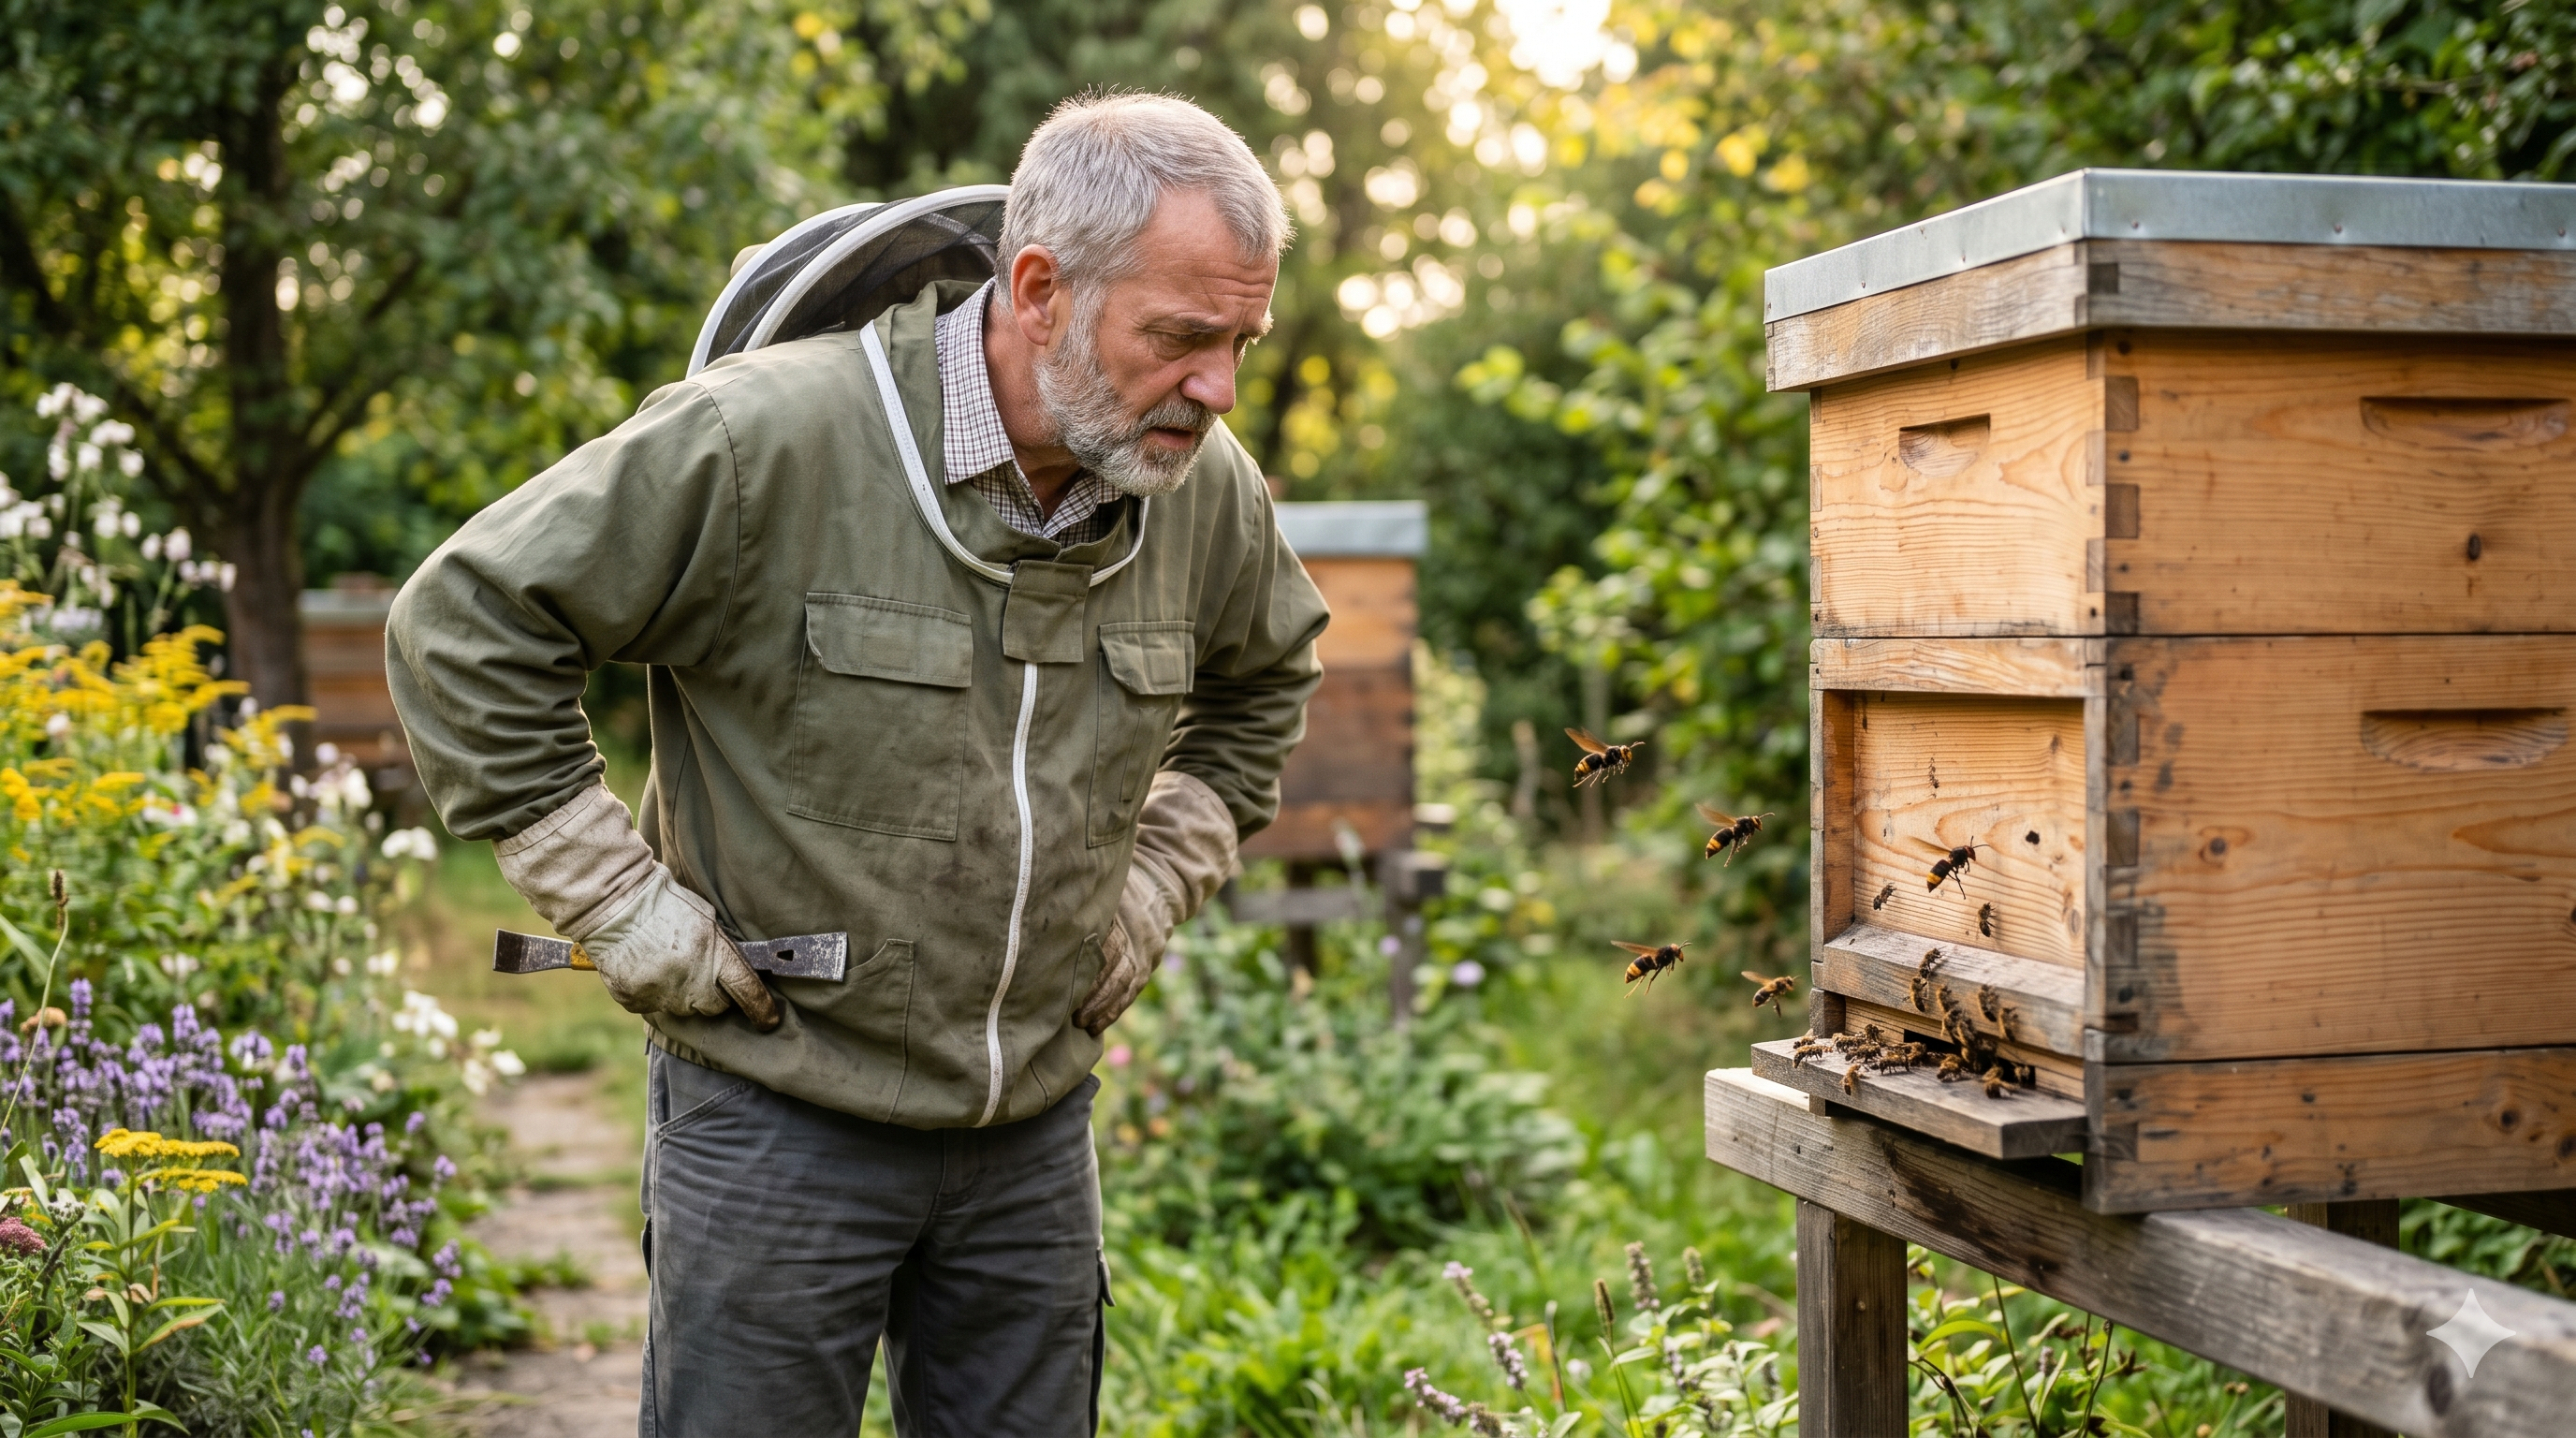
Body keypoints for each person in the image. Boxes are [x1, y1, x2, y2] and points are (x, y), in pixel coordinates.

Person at [385, 92, 1327, 1435]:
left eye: (1241, 341)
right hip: (777, 1124)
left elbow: (1266, 680)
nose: (1219, 390)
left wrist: (1156, 883)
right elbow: (464, 620)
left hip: (1032, 1142)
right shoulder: (767, 441)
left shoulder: (1203, 492)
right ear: (1043, 290)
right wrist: (615, 905)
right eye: (1181, 337)